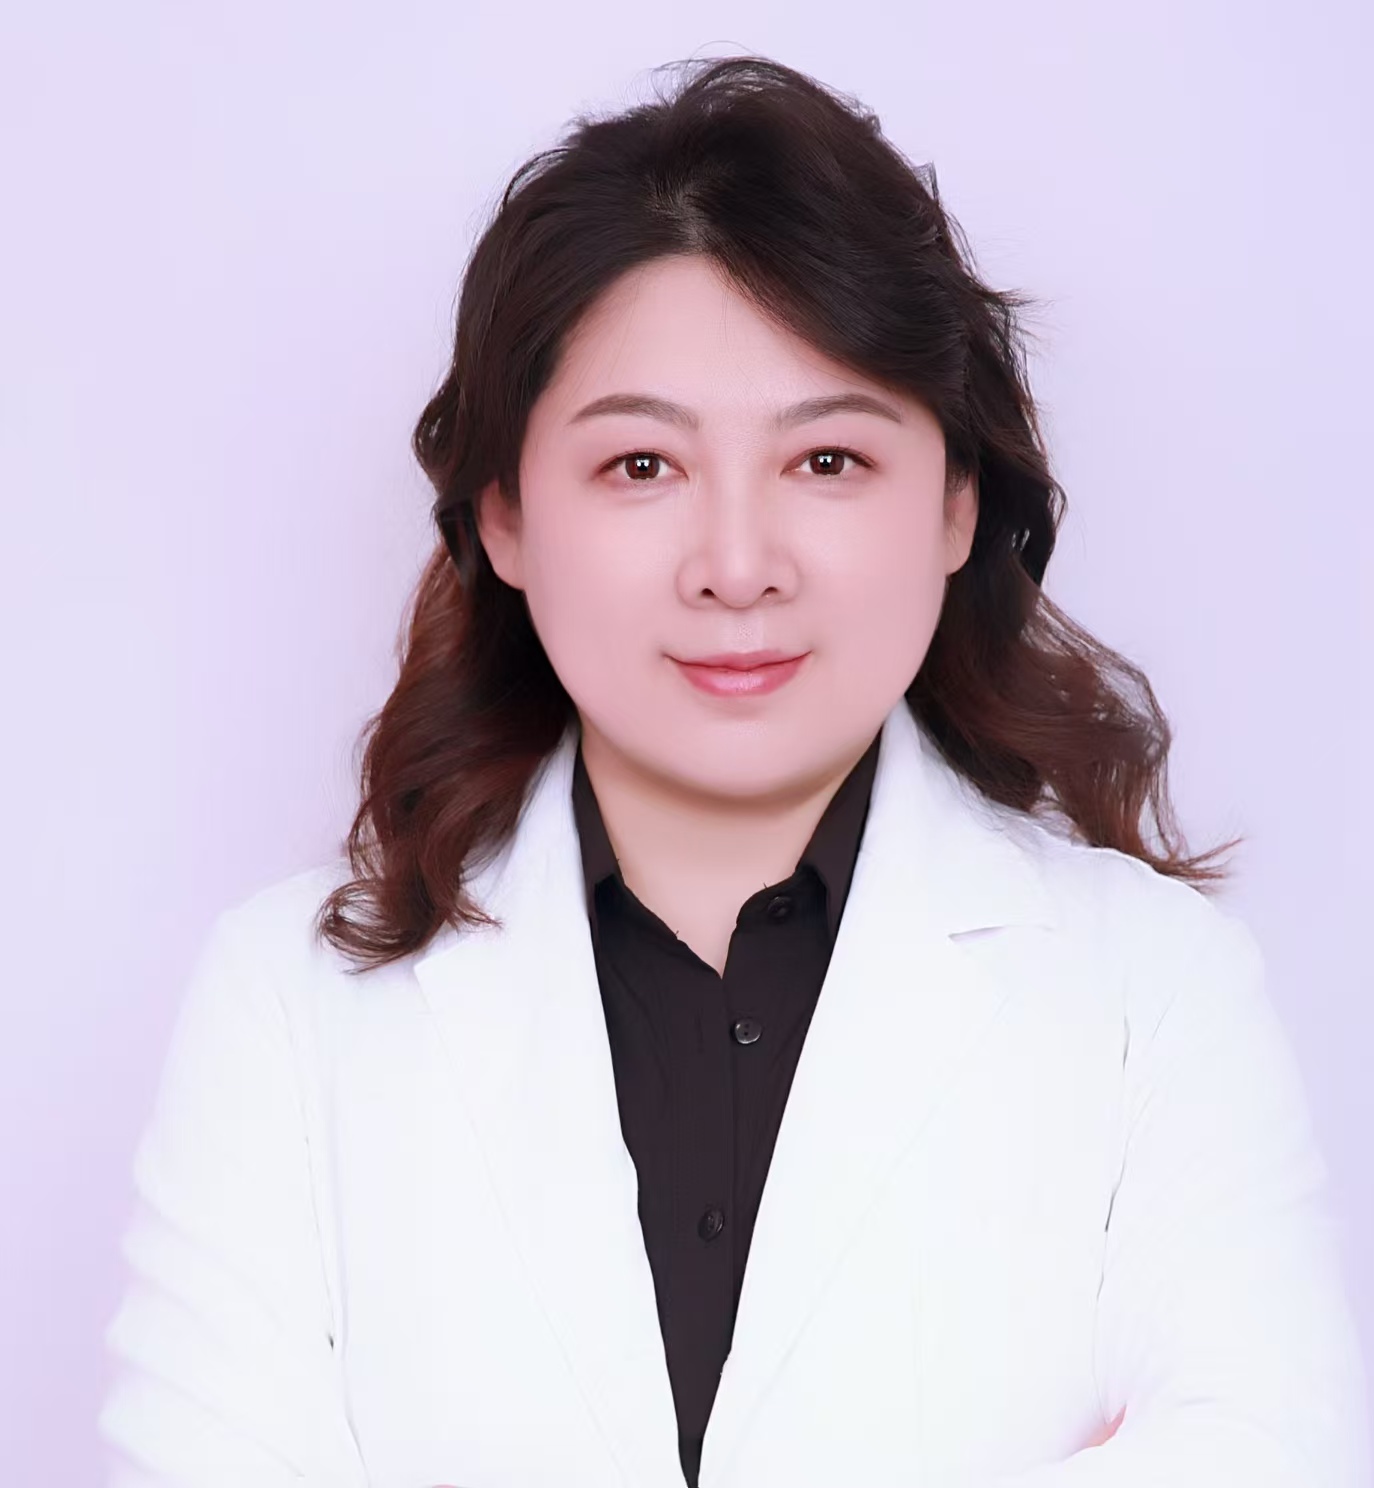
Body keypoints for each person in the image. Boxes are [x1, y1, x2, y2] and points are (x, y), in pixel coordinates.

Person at [98, 54, 1369, 1488]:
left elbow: (1275, 1455)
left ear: (956, 503)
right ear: (504, 516)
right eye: (641, 467)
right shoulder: (286, 1006)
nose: (737, 566)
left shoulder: (1156, 992)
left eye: (826, 462)